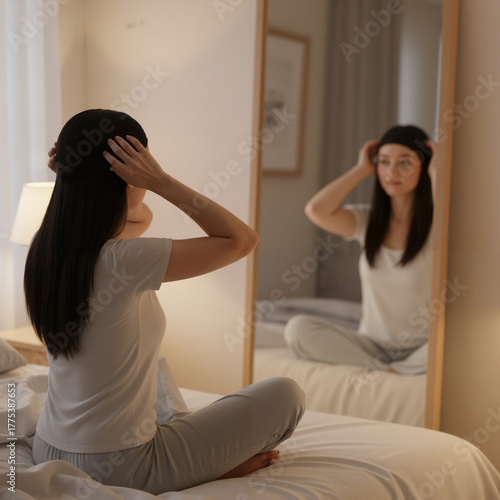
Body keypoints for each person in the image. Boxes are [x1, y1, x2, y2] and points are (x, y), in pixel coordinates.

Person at [26, 109, 305, 494]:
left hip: (48, 446)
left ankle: (197, 457)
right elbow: (242, 240)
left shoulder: (45, 250)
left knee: (157, 366)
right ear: (127, 176)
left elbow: (137, 220)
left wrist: (75, 178)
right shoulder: (122, 260)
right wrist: (161, 181)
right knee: (286, 394)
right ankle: (208, 467)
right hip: (123, 465)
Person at [284, 125, 435, 375]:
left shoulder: (438, 226)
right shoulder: (367, 220)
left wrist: (437, 172)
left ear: (426, 167)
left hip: (423, 347)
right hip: (372, 345)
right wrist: (360, 170)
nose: (392, 172)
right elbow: (316, 210)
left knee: (465, 340)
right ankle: (389, 371)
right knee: (297, 328)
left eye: (404, 162)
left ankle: (397, 369)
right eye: (384, 162)